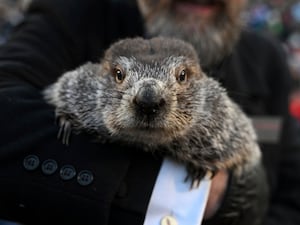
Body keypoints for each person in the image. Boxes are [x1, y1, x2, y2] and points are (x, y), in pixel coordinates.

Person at [0, 0, 299, 224]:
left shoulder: (266, 59)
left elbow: (289, 193)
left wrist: (240, 195)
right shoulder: (77, 14)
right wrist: (180, 194)